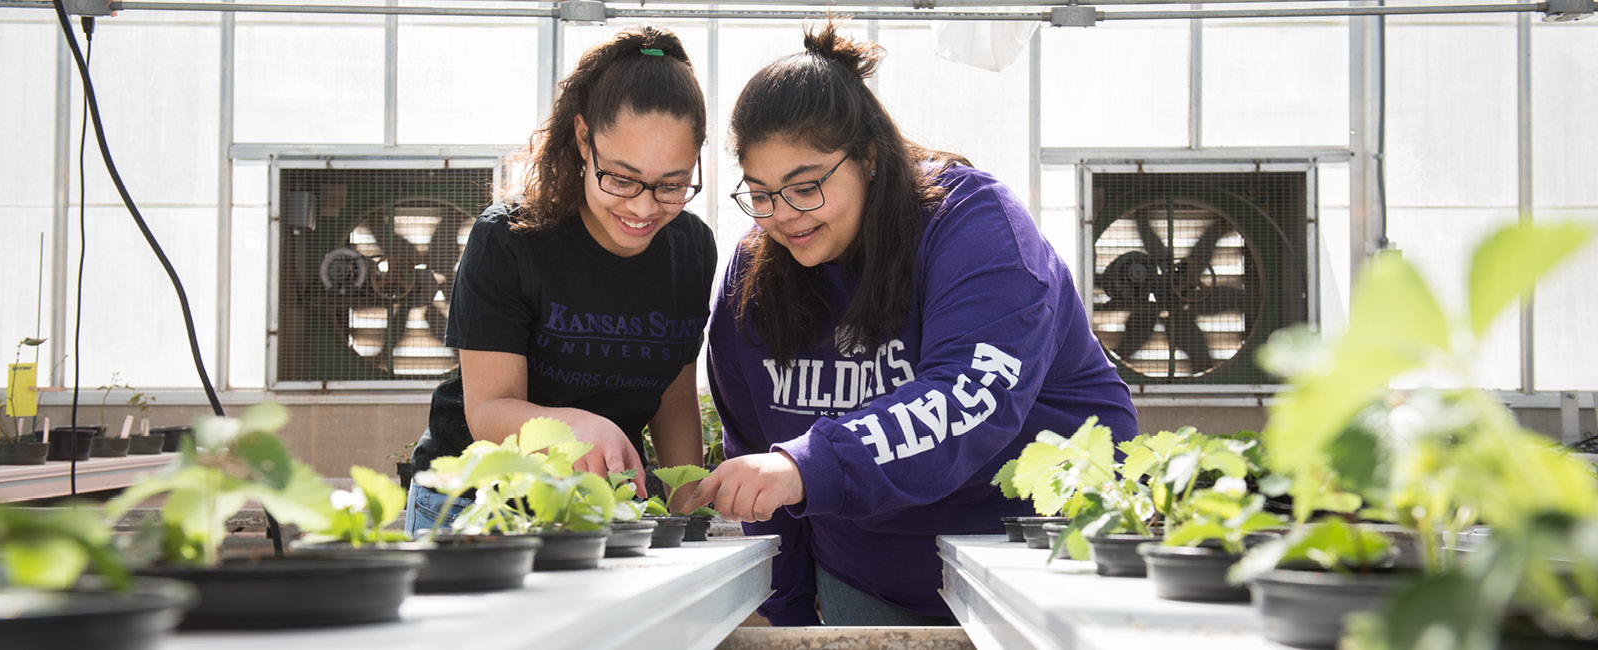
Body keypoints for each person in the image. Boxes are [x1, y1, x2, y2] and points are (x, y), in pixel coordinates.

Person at [680, 22, 1138, 626]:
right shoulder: (756, 273)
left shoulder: (973, 226)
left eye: (806, 186)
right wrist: (786, 612)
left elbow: (967, 398)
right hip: (869, 579)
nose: (783, 216)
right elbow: (757, 449)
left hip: (1033, 569)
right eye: (761, 194)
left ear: (869, 157)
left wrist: (806, 466)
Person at [406, 26, 715, 534]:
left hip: (602, 509)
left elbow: (674, 398)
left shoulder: (691, 248)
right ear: (582, 138)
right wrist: (576, 425)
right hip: (477, 503)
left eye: (672, 185)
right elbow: (488, 410)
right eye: (620, 177)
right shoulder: (510, 238)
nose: (642, 207)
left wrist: (690, 510)